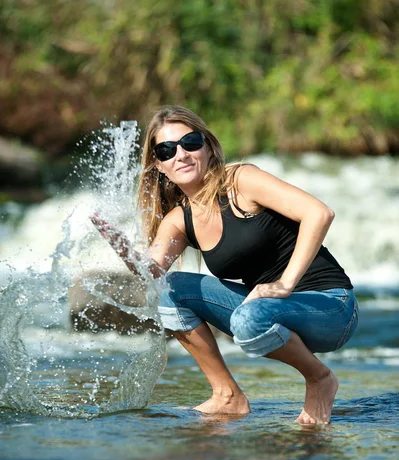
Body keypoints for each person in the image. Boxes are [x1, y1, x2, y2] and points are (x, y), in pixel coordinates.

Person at [91, 105, 359, 424]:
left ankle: (319, 379)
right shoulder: (179, 220)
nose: (182, 154)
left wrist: (286, 283)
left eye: (190, 142)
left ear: (207, 147)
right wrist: (123, 248)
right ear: (158, 165)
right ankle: (227, 395)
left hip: (330, 307)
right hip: (266, 312)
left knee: (248, 320)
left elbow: (319, 213)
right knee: (170, 290)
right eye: (167, 149)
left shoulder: (240, 181)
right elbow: (152, 272)